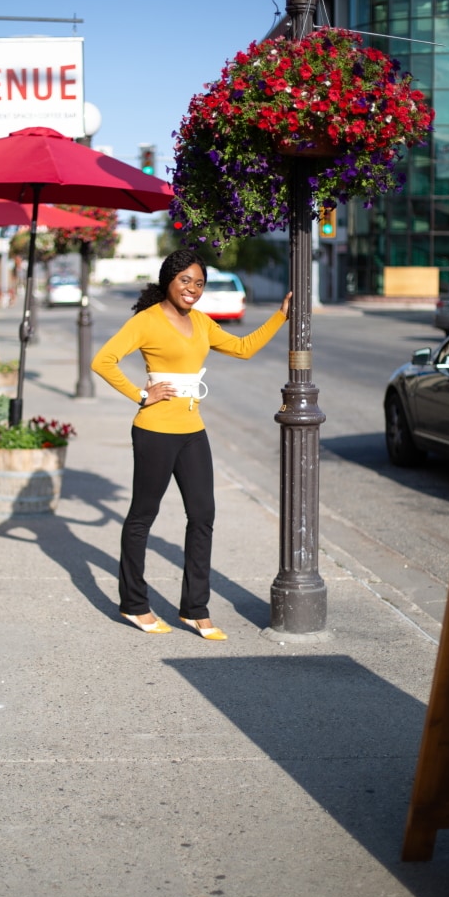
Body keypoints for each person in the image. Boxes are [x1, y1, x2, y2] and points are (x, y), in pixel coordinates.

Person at [91, 248, 291, 640]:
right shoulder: (146, 321)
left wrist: (281, 315)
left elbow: (243, 348)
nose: (193, 289)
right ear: (169, 279)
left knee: (202, 515)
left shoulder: (200, 321)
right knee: (142, 517)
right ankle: (134, 604)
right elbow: (104, 360)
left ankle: (194, 608)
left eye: (199, 283)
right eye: (185, 280)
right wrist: (140, 394)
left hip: (191, 430)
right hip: (154, 430)